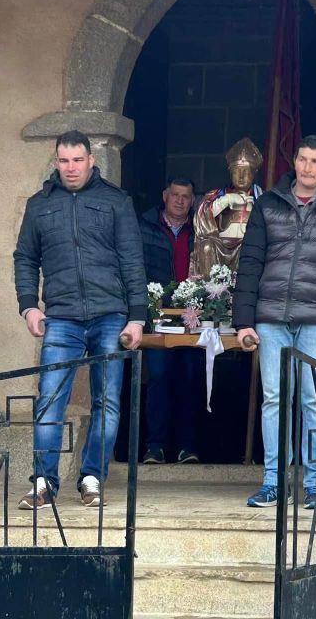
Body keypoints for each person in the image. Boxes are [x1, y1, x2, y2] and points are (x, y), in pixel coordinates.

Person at [13, 131, 146, 510]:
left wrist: (137, 317)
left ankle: (91, 478)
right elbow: (25, 258)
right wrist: (29, 306)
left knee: (108, 402)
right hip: (61, 316)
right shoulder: (39, 204)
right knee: (49, 400)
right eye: (64, 160)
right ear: (56, 162)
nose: (70, 167)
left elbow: (133, 259)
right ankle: (43, 482)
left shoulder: (116, 201)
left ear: (91, 160)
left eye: (77, 160)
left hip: (110, 314)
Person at [233, 135, 316, 510]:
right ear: (295, 161)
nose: (308, 167)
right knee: (274, 399)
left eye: (315, 161)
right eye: (303, 159)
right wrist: (243, 320)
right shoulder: (268, 203)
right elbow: (250, 262)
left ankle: (314, 483)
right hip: (271, 316)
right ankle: (274, 482)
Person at [139, 178, 200, 464]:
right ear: (165, 196)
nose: (179, 201)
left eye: (185, 196)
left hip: (193, 317)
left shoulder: (201, 228)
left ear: (192, 200)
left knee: (190, 379)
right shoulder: (145, 226)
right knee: (159, 378)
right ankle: (155, 447)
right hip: (157, 316)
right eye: (175, 195)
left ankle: (187, 447)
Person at [190, 138, 263, 276]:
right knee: (206, 247)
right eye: (237, 171)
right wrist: (226, 200)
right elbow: (202, 218)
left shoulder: (262, 199)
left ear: (253, 174)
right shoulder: (217, 195)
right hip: (220, 248)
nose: (241, 176)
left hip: (246, 249)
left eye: (246, 171)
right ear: (230, 173)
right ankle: (209, 288)